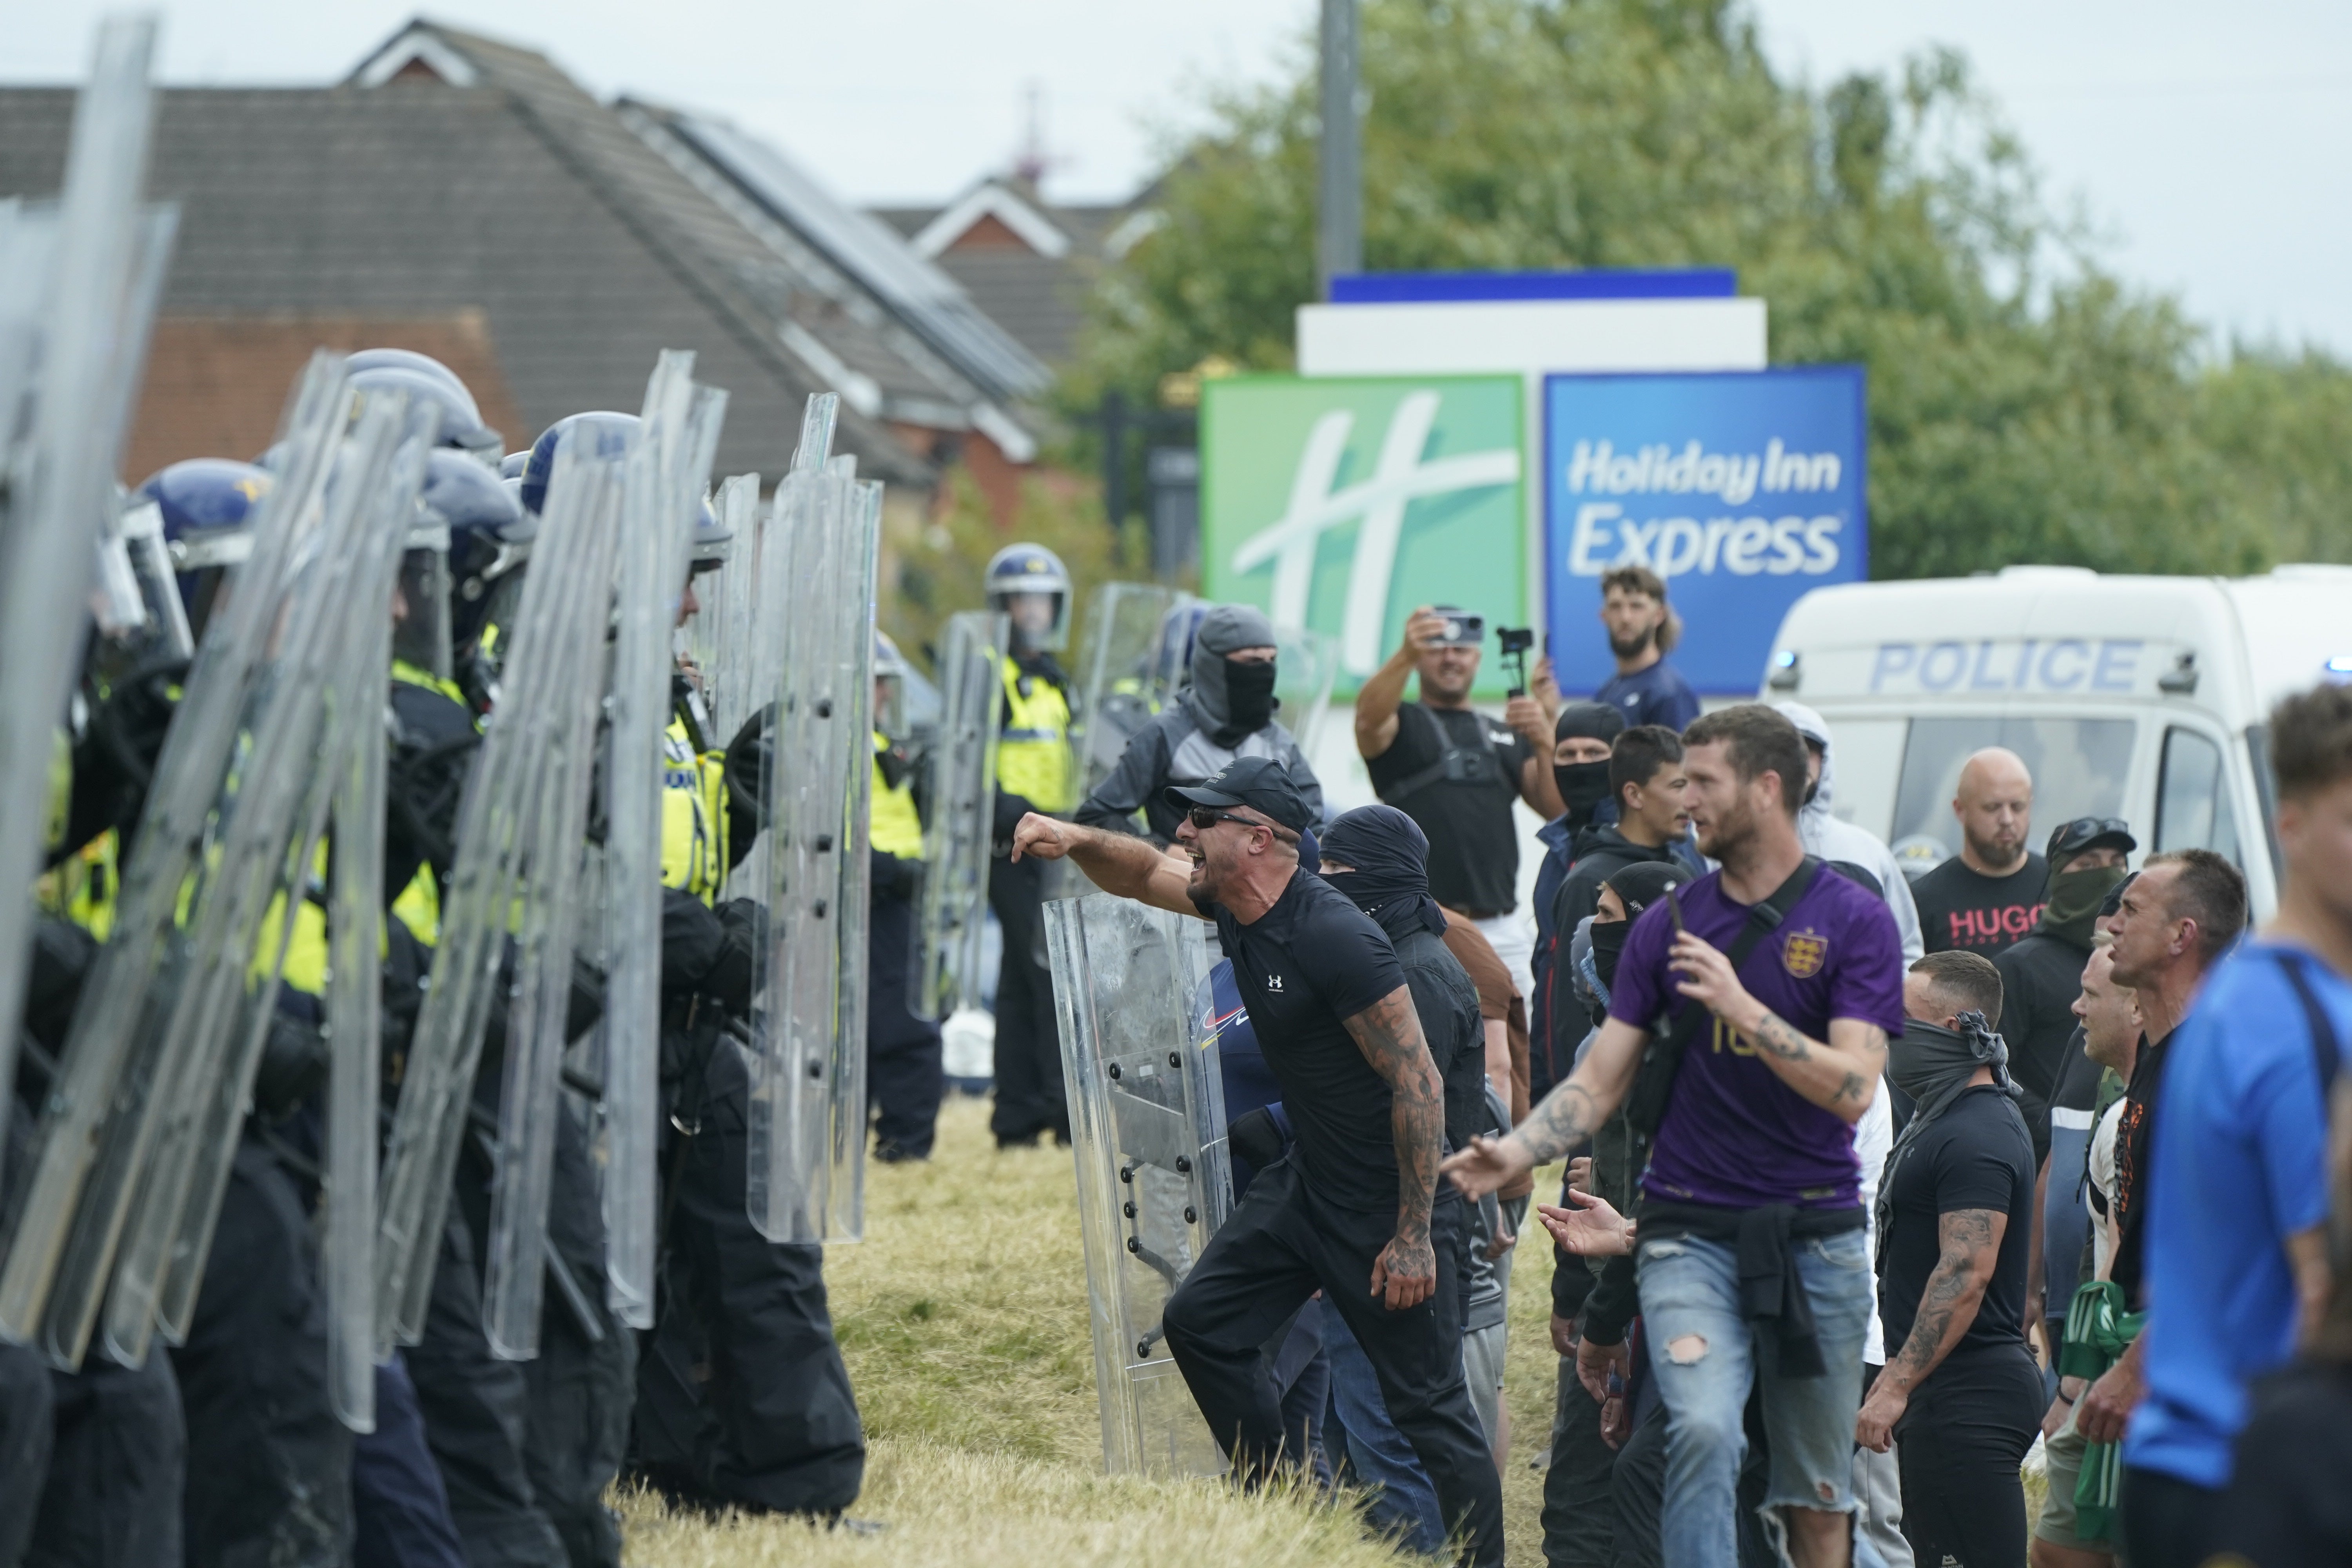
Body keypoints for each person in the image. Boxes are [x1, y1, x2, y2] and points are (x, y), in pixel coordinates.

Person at [1009, 757, 1506, 1565]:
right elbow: (1137, 871)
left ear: (1259, 837)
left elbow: (1418, 1084)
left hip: (1388, 1206)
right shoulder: (1234, 900)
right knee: (1200, 1323)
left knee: (1430, 1411)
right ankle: (1283, 1510)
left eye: (1202, 821)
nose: (1184, 832)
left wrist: (1415, 1233)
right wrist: (1069, 836)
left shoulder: (1335, 934)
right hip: (1308, 1183)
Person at [1448, 704, 1903, 1568]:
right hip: (1689, 1237)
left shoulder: (1853, 919)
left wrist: (1740, 1005)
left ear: (1768, 787)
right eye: (1681, 779)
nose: (1684, 797)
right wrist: (1516, 1148)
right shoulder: (1666, 923)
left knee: (1814, 1495)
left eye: (1704, 780)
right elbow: (1599, 1078)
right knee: (1698, 1431)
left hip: (1817, 1240)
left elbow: (1852, 1087)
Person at [2124, 690, 2352, 1568]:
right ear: (2289, 825)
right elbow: (2323, 1288)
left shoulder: (2264, 994)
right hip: (2251, 1479)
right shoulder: (2285, 1017)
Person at [2040, 851, 2244, 1566]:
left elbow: (2232, 1246)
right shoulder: (2157, 1055)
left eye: (2130, 910)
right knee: (2060, 1549)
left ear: (2182, 935)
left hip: (2177, 1363)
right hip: (2127, 1349)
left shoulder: (2214, 1058)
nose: (2110, 922)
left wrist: (2138, 1365)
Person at [1857, 952, 2041, 1568]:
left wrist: (1896, 1383)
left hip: (1970, 1398)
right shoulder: (1942, 1122)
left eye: (1902, 1022)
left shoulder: (1978, 1133)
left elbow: (1966, 1270)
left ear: (1958, 1028)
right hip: (1946, 1396)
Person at [1358, 604, 1563, 1009]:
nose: (1450, 657)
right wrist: (1405, 654)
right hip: (1422, 926)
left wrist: (1546, 738)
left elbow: (1558, 812)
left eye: (1462, 649)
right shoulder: (1400, 723)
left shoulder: (1503, 733)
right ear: (1419, 657)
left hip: (1503, 927)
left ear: (1478, 657)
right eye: (1437, 648)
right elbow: (1367, 721)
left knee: (1517, 1059)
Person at [2031, 937, 2139, 1568]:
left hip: (2141, 1382)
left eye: (2091, 995)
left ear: (2136, 1008)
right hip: (2106, 1378)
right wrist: (2072, 1384)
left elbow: (2134, 1268)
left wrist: (2091, 1386)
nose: (2075, 1009)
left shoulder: (2150, 1117)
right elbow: (2102, 1271)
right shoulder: (2117, 1117)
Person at [1074, 601, 1324, 842]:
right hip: (1179, 882)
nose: (1266, 672)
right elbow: (1096, 817)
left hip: (1260, 885)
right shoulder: (1167, 733)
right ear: (1213, 665)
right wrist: (1161, 853)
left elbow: (1313, 832)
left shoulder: (1279, 743)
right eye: (1253, 662)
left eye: (1272, 660)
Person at [983, 543, 1079, 1148]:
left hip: (1058, 842)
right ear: (1003, 606)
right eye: (1024, 598)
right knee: (1048, 974)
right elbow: (971, 762)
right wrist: (1011, 812)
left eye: (1045, 599)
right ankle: (1062, 1113)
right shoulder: (991, 674)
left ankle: (1016, 1115)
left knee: (1022, 979)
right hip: (1012, 845)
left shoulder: (1055, 681)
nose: (1036, 611)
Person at [1994, 819, 2136, 1171]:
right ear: (2057, 874)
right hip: (2048, 1163)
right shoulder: (2020, 967)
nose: (2106, 874)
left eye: (2117, 863)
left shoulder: (2140, 964)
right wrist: (2056, 1128)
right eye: (2087, 865)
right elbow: (1991, 1069)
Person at [865, 632, 943, 1161]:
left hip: (896, 895)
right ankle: (905, 1140)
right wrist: (895, 870)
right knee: (904, 1024)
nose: (884, 697)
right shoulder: (833, 748)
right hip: (874, 892)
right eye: (873, 685)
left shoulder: (877, 745)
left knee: (902, 1018)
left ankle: (903, 1138)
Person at [1775, 701, 1925, 964]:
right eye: (1783, 751)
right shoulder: (1732, 846)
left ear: (1825, 760)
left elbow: (1905, 952)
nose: (1796, 764)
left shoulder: (1867, 852)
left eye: (1807, 752)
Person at [1531, 702, 1624, 1101]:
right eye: (1567, 754)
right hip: (1551, 1056)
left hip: (1607, 1073)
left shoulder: (1640, 847)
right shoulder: (1558, 845)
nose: (1579, 764)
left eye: (1593, 753)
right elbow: (1547, 959)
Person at [1550, 724, 1694, 951]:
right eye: (1679, 786)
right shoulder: (1588, 880)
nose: (1691, 800)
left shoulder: (1683, 868)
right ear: (1634, 795)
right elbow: (1570, 982)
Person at [1910, 749, 2045, 955]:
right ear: (1960, 810)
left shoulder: (2060, 887)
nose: (2007, 820)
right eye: (1992, 808)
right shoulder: (1924, 902)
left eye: (2018, 807)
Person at [1593, 566, 1701, 733]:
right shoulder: (1607, 691)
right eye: (1616, 607)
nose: (1625, 618)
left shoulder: (1669, 694)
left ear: (1659, 615)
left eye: (1636, 606)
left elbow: (1681, 758)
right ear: (1603, 616)